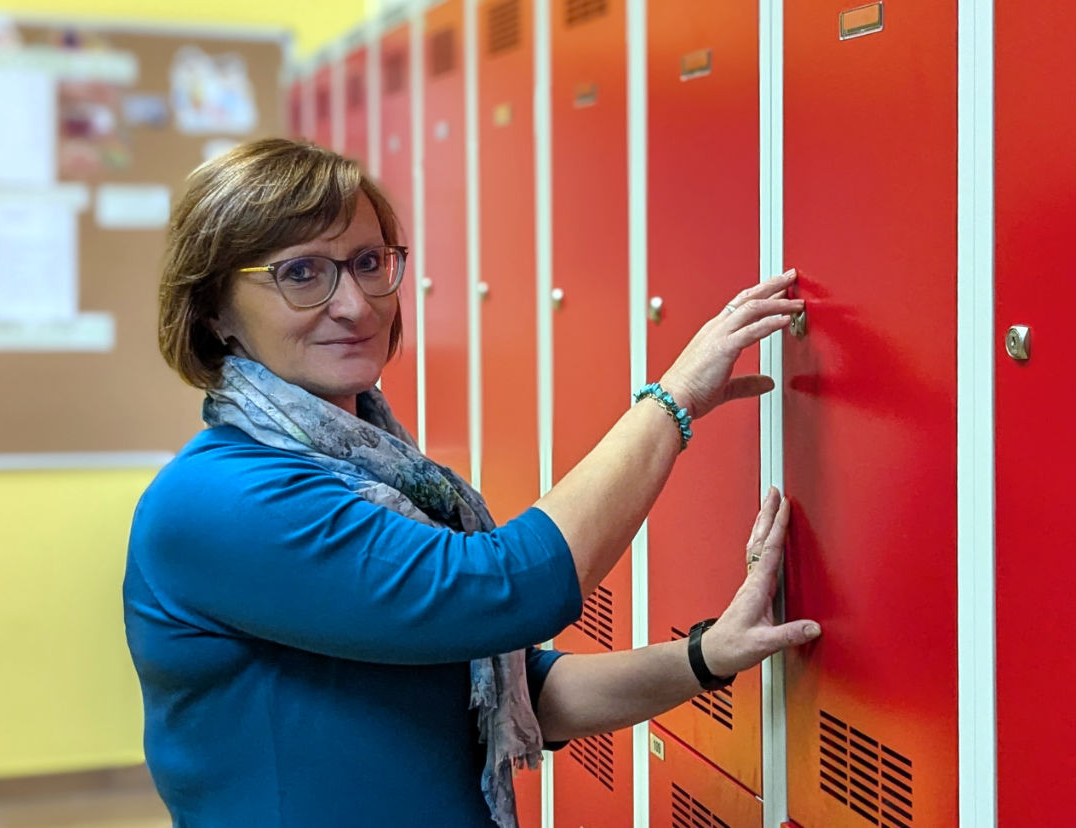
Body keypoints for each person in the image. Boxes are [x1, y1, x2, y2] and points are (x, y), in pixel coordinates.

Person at [124, 138, 821, 828]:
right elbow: (505, 590)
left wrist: (707, 655)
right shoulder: (219, 502)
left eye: (370, 263)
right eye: (303, 274)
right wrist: (671, 403)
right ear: (215, 310)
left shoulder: (374, 467)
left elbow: (516, 692)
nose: (357, 305)